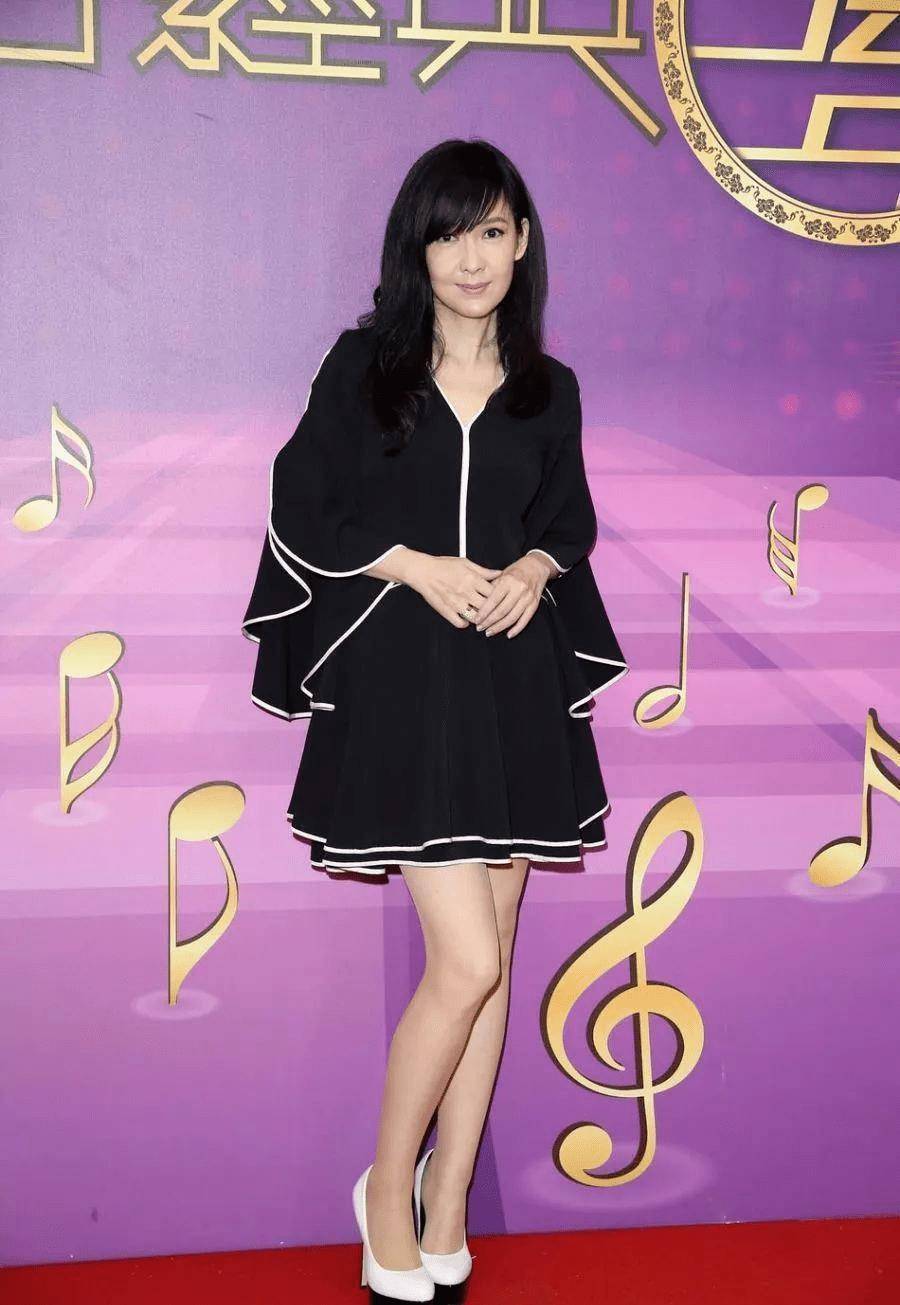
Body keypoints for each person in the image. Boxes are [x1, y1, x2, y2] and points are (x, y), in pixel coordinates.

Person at [242, 138, 628, 1301]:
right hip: (401, 687)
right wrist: (414, 563)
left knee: (496, 960)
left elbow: (566, 520)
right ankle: (384, 1191)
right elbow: (303, 500)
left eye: (493, 231)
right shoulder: (365, 367)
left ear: (523, 243)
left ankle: (448, 1198)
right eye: (451, 233)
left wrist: (534, 570)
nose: (472, 257)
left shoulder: (549, 388)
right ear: (418, 247)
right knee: (466, 962)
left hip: (514, 686)